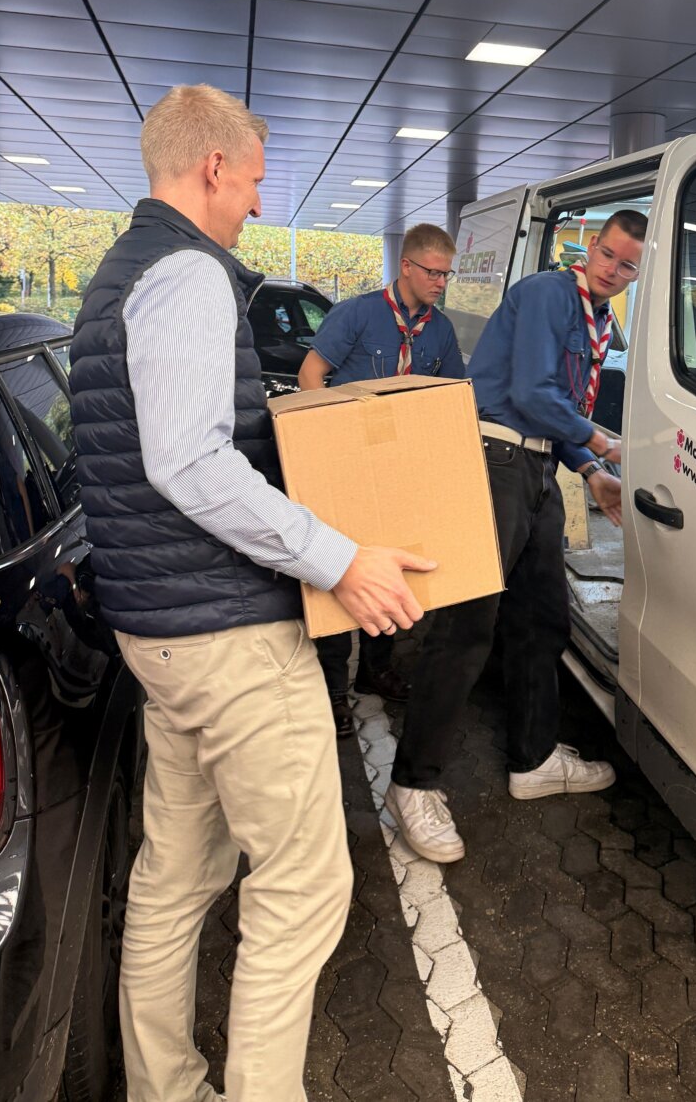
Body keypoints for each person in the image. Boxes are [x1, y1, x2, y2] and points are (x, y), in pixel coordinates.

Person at [68, 84, 433, 1102]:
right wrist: (339, 557)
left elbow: (157, 448)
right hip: (227, 640)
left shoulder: (116, 276)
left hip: (161, 634)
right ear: (213, 168)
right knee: (306, 887)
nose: (260, 206)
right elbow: (188, 461)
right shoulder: (187, 272)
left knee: (176, 877)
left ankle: (165, 1087)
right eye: (257, 181)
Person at [386, 211, 646, 863]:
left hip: (538, 470)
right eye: (609, 254)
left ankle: (532, 759)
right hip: (496, 462)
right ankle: (411, 782)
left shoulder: (591, 316)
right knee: (469, 626)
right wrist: (601, 440)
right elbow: (531, 391)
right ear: (590, 245)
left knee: (543, 620)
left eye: (627, 265)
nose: (614, 269)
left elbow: (551, 402)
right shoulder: (548, 294)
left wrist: (589, 471)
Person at [298, 223, 463, 733]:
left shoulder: (440, 330)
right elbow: (310, 375)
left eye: (446, 274)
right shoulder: (357, 315)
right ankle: (332, 691)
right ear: (406, 267)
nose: (440, 282)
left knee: (389, 571)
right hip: (344, 464)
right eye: (433, 272)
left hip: (400, 468)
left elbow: (449, 393)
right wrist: (323, 445)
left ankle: (376, 670)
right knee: (336, 575)